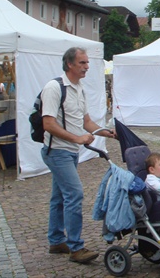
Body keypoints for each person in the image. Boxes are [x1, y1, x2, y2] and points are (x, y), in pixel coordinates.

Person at [41, 47, 117, 264]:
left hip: (70, 152)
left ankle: (56, 241)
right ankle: (76, 247)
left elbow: (87, 123)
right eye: (82, 63)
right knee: (74, 195)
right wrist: (77, 139)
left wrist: (108, 133)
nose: (87, 67)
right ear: (70, 65)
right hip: (57, 151)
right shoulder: (54, 88)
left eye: (87, 63)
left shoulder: (79, 89)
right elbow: (48, 124)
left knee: (59, 197)